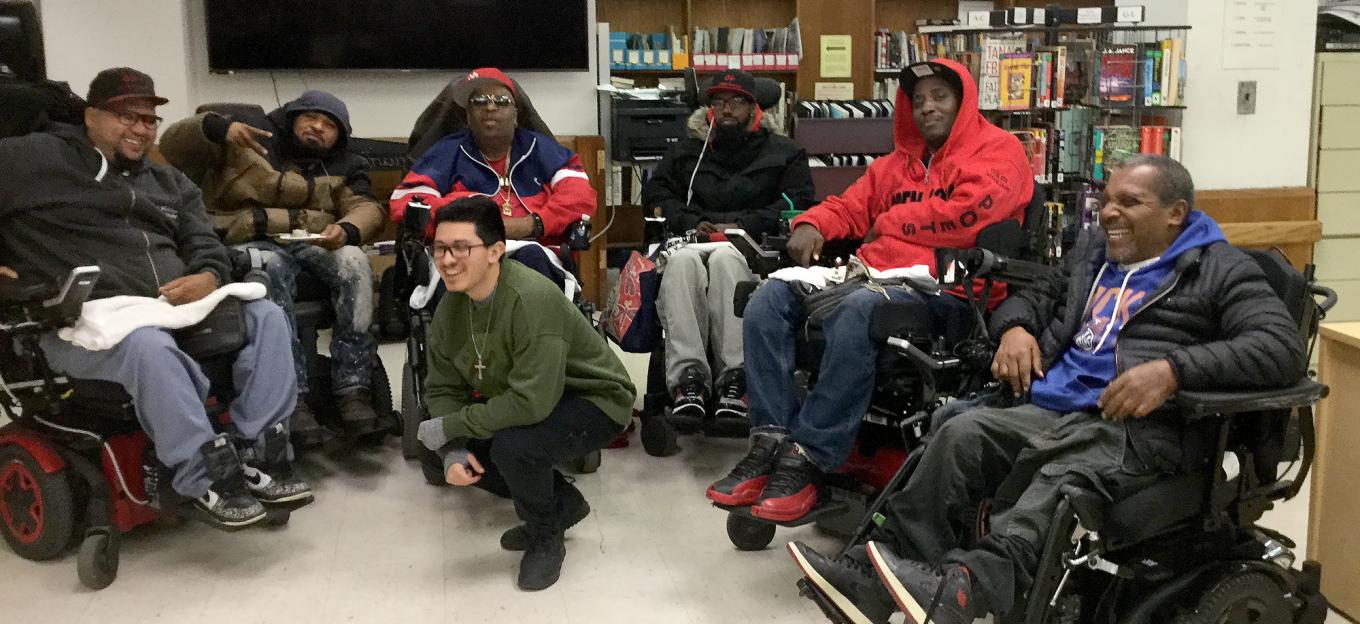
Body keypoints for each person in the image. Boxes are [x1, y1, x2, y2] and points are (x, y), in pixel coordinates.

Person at [786, 155, 1308, 624]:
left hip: (1141, 427)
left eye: (1130, 202)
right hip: (1054, 403)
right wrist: (1014, 327)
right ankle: (873, 575)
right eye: (1107, 201)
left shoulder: (1219, 269)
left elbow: (1279, 347)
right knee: (958, 433)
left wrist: (1173, 370)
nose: (1109, 213)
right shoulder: (1094, 258)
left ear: (1176, 213)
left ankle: (966, 589)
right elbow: (1035, 296)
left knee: (1062, 470)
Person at [707, 59, 1033, 522]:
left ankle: (810, 456)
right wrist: (812, 221)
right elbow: (848, 206)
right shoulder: (892, 167)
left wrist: (889, 224)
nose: (927, 108)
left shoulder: (1000, 152)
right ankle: (770, 441)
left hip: (952, 293)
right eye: (917, 101)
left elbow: (971, 217)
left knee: (858, 309)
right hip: (874, 277)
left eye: (940, 97)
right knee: (768, 297)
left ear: (962, 101)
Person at [0, 67, 312, 530]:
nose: (141, 128)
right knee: (147, 345)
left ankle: (258, 453)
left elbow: (205, 243)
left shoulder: (168, 183)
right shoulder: (34, 160)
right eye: (126, 116)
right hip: (76, 324)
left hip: (171, 311)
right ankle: (203, 477)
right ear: (90, 115)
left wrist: (208, 274)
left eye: (148, 120)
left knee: (265, 315)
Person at [413, 196, 634, 591]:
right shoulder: (451, 306)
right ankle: (563, 505)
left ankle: (545, 535)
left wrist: (452, 424)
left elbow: (532, 402)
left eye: (462, 248)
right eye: (440, 248)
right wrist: (452, 448)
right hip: (529, 397)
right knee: (462, 455)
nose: (447, 260)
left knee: (514, 448)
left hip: (594, 400)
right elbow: (443, 386)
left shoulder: (530, 300)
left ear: (496, 252)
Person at [159, 90, 387, 446]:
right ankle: (293, 397)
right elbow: (173, 146)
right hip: (244, 241)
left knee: (355, 259)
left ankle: (353, 387)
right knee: (273, 265)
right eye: (311, 117)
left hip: (312, 241)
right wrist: (216, 128)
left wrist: (346, 230)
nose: (318, 128)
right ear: (291, 117)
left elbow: (367, 207)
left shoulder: (346, 164)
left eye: (329, 125)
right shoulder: (246, 139)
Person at [642, 70, 814, 424]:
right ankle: (688, 381)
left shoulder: (786, 152)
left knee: (723, 260)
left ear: (755, 108)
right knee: (682, 264)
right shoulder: (686, 152)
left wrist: (742, 224)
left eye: (736, 101)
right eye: (719, 101)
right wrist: (691, 221)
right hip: (693, 237)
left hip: (751, 243)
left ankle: (735, 378)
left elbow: (797, 202)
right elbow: (657, 195)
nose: (726, 108)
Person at [389, 67, 596, 279]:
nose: (490, 106)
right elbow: (407, 203)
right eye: (479, 101)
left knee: (530, 262)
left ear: (516, 114)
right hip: (464, 250)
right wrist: (471, 218)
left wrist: (533, 223)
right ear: (467, 116)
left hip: (533, 248)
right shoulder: (445, 152)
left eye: (501, 101)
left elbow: (579, 197)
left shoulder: (543, 149)